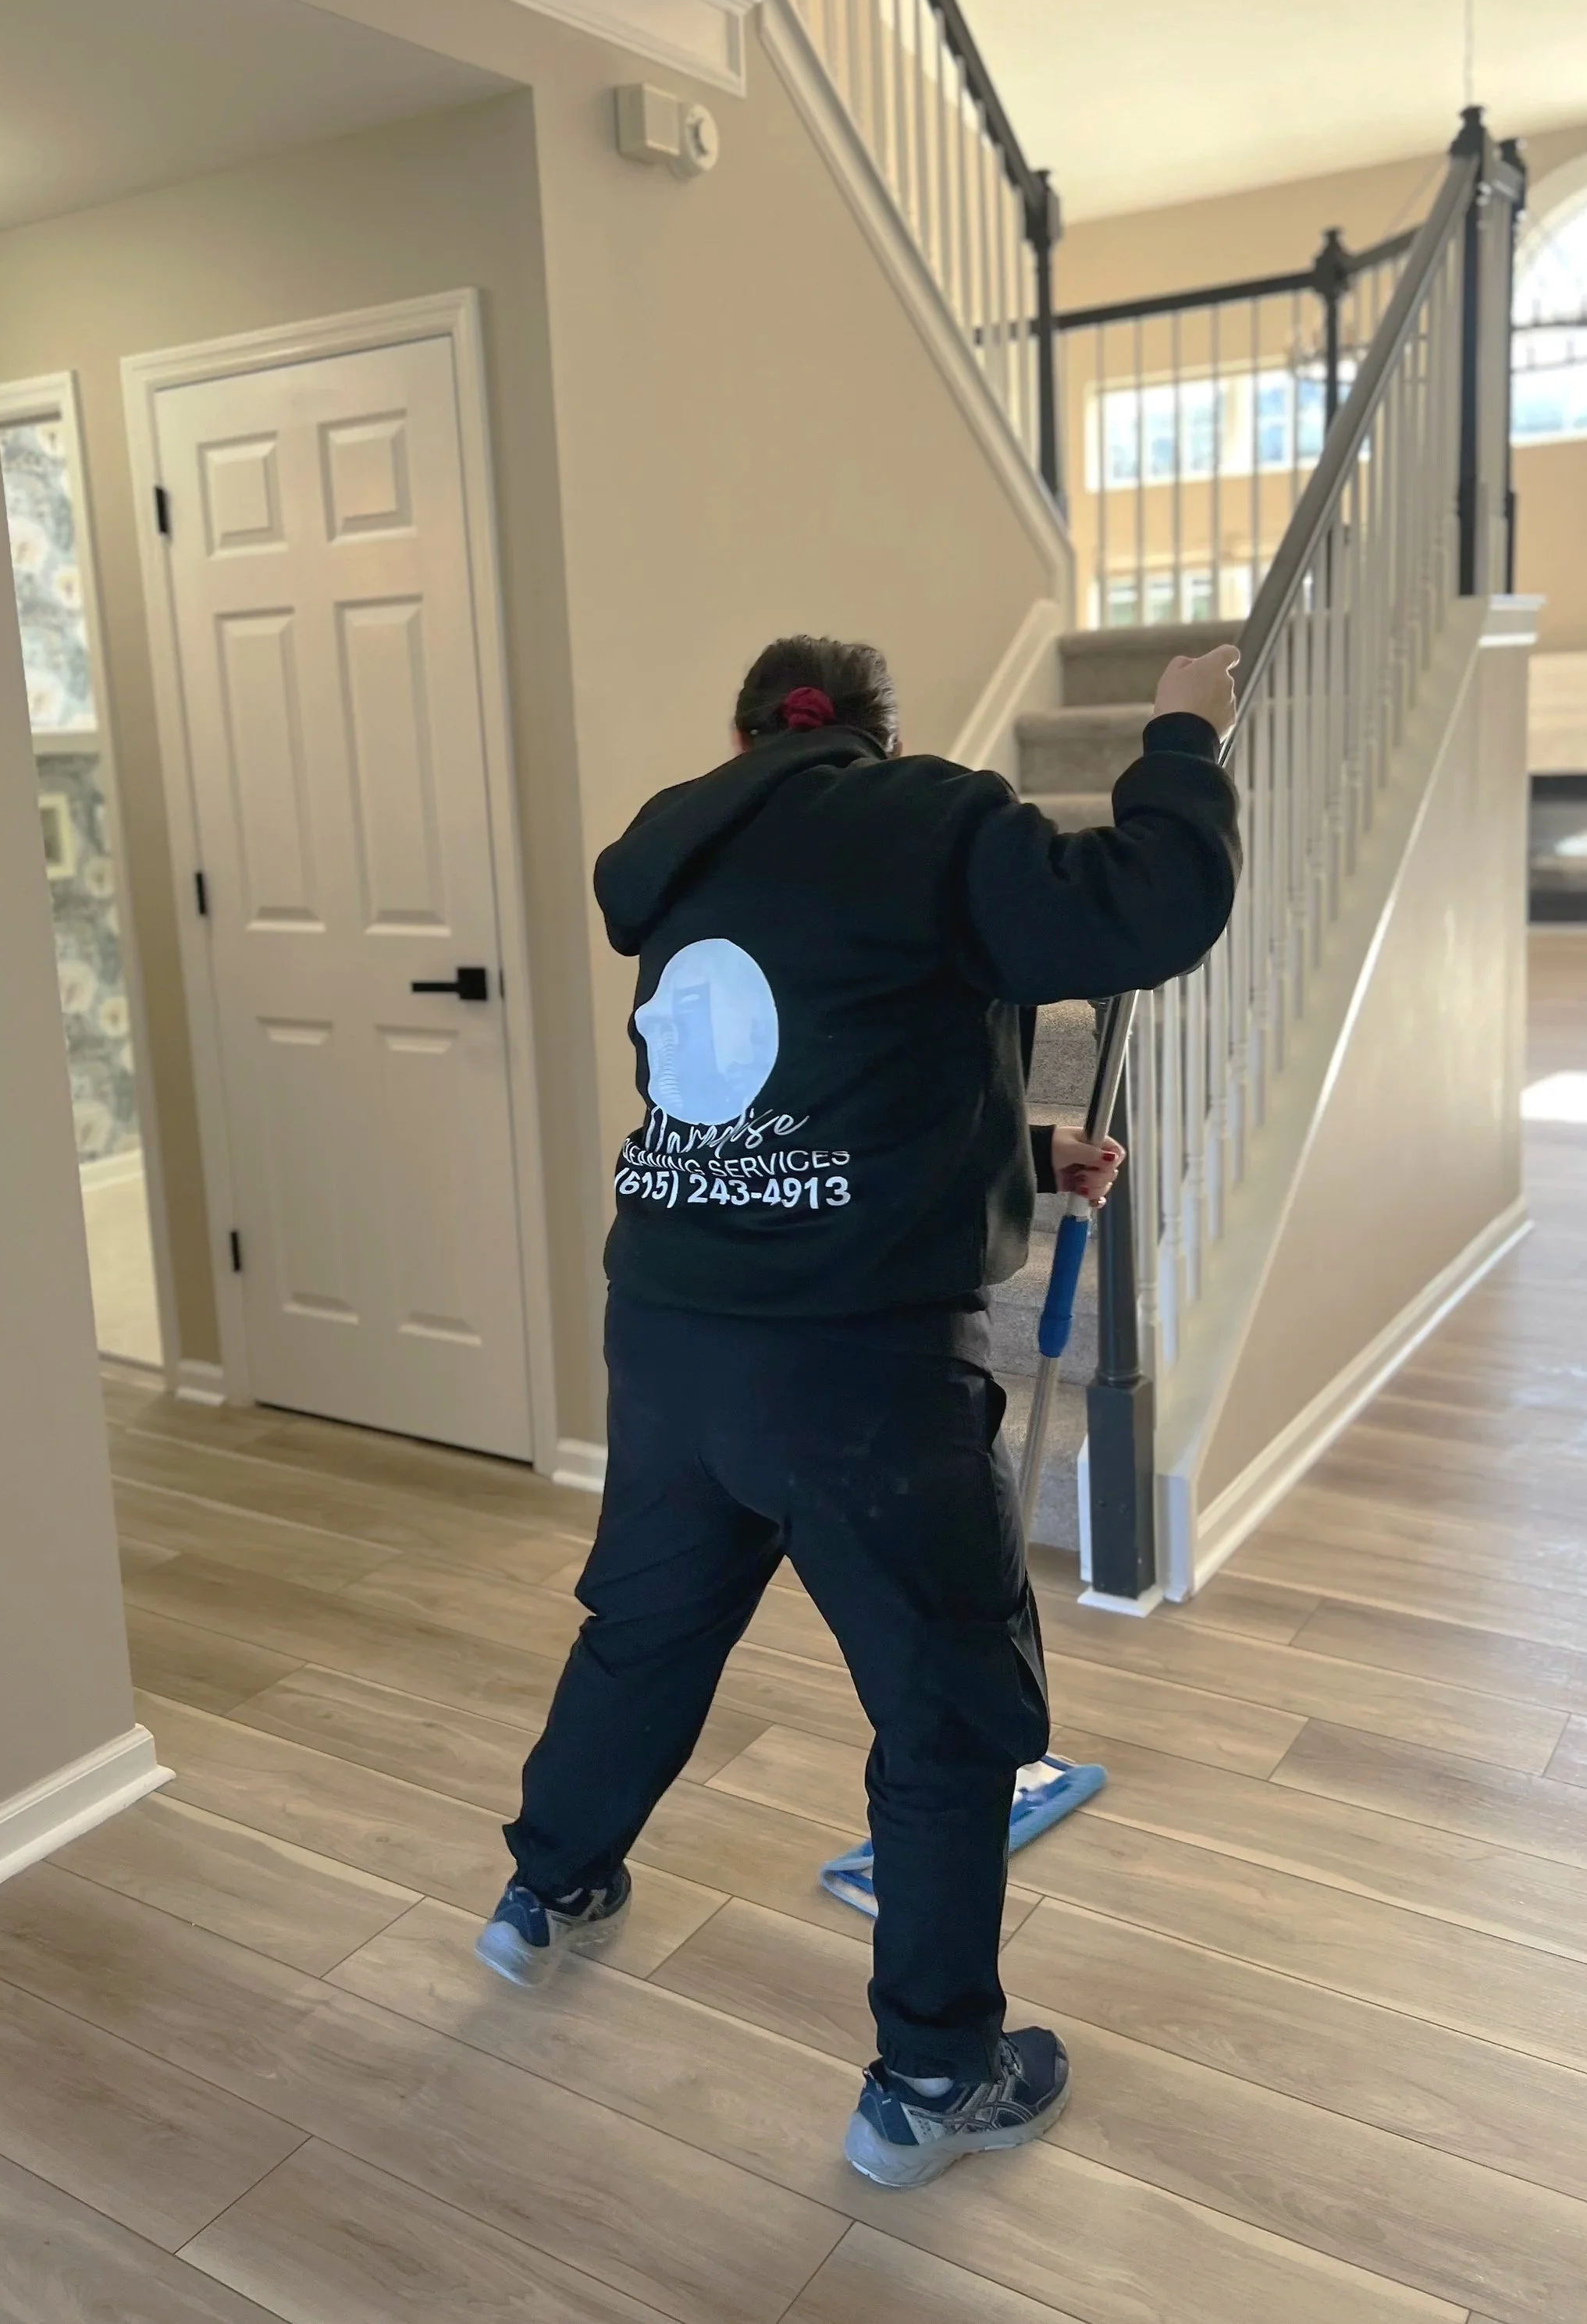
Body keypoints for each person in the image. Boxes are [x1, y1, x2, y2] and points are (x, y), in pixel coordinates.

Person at [476, 631, 1240, 2187]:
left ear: (746, 732)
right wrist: (1178, 738)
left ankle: (541, 1890)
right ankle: (931, 2079)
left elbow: (795, 1078)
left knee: (647, 1626)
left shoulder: (681, 851)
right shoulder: (924, 819)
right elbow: (1149, 908)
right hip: (854, 1366)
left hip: (676, 1326)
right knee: (949, 1709)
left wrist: (1020, 1153)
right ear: (871, 739)